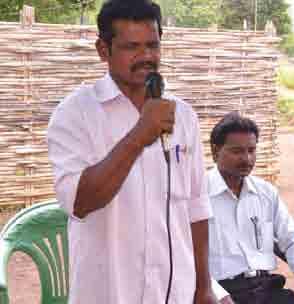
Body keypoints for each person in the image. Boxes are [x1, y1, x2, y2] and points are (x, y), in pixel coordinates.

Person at [47, 0, 216, 303]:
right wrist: (140, 134)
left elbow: (196, 206)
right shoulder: (75, 113)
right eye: (131, 47)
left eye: (153, 45)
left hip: (174, 290)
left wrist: (204, 286)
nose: (146, 57)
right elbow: (80, 201)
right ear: (103, 50)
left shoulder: (184, 115)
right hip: (108, 291)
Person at [206, 113, 294, 304]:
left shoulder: (266, 193)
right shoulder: (198, 197)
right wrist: (218, 295)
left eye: (251, 150)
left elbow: (292, 239)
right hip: (220, 291)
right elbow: (186, 259)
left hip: (267, 289)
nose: (247, 159)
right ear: (215, 151)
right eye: (237, 151)